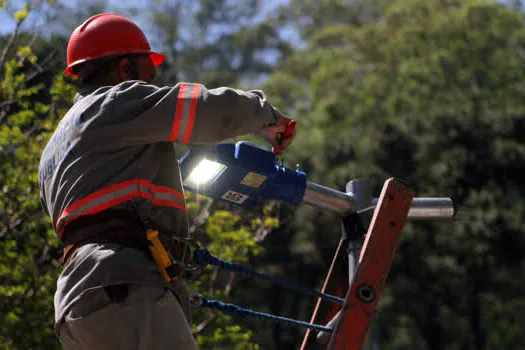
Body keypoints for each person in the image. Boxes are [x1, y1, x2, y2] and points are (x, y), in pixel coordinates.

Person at [38, 13, 296, 350]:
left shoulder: (52, 151)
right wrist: (267, 116)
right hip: (123, 282)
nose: (152, 83)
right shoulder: (114, 102)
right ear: (125, 70)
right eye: (148, 74)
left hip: (76, 304)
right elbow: (203, 108)